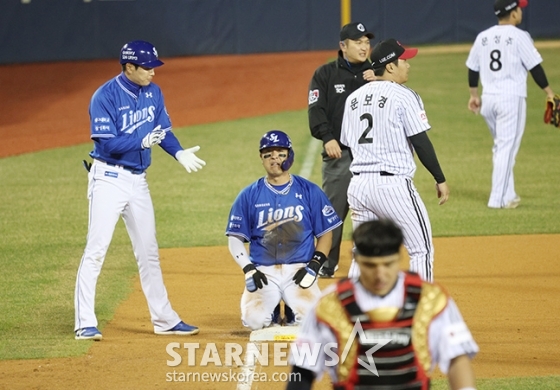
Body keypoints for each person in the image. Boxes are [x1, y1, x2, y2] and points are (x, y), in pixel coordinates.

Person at [74, 40, 206, 340]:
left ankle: (164, 320)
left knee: (149, 253)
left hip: (138, 181)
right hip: (108, 178)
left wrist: (179, 152)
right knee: (96, 251)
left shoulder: (154, 92)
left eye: (153, 67)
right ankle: (84, 322)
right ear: (129, 67)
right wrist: (142, 142)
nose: (153, 73)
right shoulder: (104, 96)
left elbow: (162, 132)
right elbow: (106, 143)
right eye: (147, 68)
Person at [286, 219, 478, 390]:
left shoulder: (430, 299)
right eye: (370, 266)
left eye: (388, 264)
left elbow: (457, 357)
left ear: (399, 258)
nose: (380, 275)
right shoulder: (330, 305)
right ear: (356, 260)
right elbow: (303, 369)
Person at [340, 39, 449, 282]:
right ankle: (419, 315)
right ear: (390, 66)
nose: (408, 65)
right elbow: (420, 141)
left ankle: (355, 319)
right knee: (420, 250)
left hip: (358, 186)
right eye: (404, 60)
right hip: (393, 186)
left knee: (363, 253)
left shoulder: (353, 99)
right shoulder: (404, 96)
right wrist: (439, 178)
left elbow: (349, 145)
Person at [225, 130, 342, 330]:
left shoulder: (309, 191)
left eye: (280, 153)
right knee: (254, 322)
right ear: (261, 159)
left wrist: (314, 266)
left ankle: (289, 308)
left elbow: (325, 234)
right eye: (268, 154)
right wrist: (248, 268)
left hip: (299, 269)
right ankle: (270, 310)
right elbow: (235, 237)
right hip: (263, 271)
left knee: (311, 322)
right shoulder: (248, 195)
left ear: (290, 156)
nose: (274, 158)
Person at [466, 0, 556, 209]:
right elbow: (535, 67)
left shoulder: (483, 37)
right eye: (519, 9)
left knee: (501, 148)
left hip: (488, 99)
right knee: (506, 149)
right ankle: (497, 200)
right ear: (513, 14)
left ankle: (509, 194)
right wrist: (549, 92)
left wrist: (474, 95)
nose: (521, 12)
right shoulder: (519, 36)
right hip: (510, 99)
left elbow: (473, 68)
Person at [308, 22, 376, 278]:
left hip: (372, 155)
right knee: (334, 211)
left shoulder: (377, 73)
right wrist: (327, 137)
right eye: (358, 42)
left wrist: (380, 79)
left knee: (373, 210)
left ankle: (372, 262)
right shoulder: (325, 74)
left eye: (366, 42)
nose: (364, 46)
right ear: (343, 46)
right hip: (340, 153)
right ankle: (326, 261)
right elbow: (316, 109)